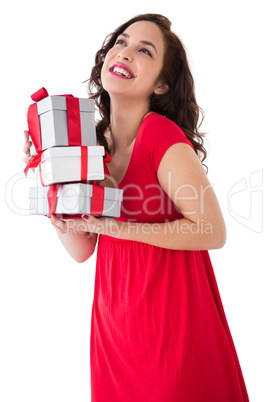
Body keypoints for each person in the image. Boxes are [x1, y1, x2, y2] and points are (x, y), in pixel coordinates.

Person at [24, 13, 249, 402]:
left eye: (144, 50)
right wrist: (53, 180)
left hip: (172, 335)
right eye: (121, 42)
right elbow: (82, 250)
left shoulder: (161, 135)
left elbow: (213, 230)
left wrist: (118, 228)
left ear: (161, 83)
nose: (124, 52)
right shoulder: (95, 149)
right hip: (114, 334)